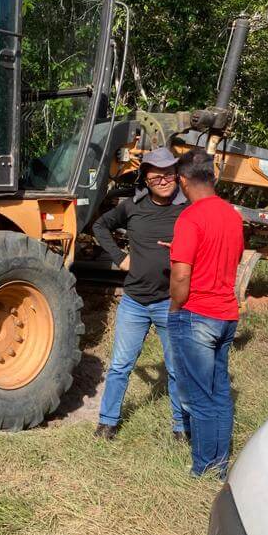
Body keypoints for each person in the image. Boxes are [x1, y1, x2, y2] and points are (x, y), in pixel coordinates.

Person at [93, 147, 188, 440]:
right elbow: (100, 225)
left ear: (177, 175)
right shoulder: (132, 206)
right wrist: (120, 258)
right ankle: (107, 423)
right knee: (121, 365)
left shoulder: (188, 209)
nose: (163, 179)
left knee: (175, 368)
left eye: (168, 173)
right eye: (155, 174)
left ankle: (181, 428)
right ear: (146, 178)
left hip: (170, 303)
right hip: (134, 302)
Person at [167, 149, 244, 477]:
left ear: (183, 181)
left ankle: (202, 468)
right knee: (219, 394)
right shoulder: (232, 215)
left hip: (196, 314)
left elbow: (181, 274)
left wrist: (174, 307)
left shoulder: (190, 217)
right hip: (226, 314)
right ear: (211, 177)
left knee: (200, 398)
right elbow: (232, 259)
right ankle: (221, 466)